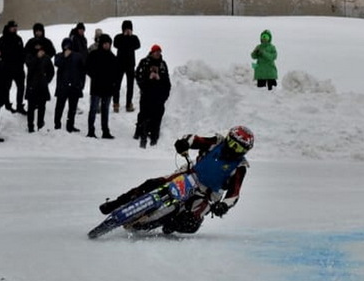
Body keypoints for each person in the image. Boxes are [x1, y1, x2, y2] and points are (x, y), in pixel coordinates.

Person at [97, 125, 255, 234]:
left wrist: (223, 206)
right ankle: (116, 203)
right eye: (232, 143)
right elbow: (195, 139)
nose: (233, 149)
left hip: (207, 194)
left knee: (191, 223)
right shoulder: (217, 142)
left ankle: (167, 224)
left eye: (239, 148)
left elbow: (234, 194)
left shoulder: (240, 166)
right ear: (227, 138)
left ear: (245, 151)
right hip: (190, 174)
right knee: (153, 184)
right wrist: (184, 143)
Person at [132, 44, 171, 148]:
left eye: (159, 52)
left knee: (157, 117)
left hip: (158, 96)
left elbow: (166, 81)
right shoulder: (144, 63)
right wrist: (148, 78)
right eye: (156, 52)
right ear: (152, 52)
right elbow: (138, 77)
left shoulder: (163, 65)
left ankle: (154, 138)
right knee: (144, 116)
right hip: (146, 95)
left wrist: (159, 80)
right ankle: (141, 135)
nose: (158, 54)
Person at [85, 34, 119, 138]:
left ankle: (105, 131)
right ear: (101, 44)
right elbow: (87, 67)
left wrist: (113, 83)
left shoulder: (112, 57)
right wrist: (95, 76)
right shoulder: (94, 54)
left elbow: (116, 73)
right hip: (96, 87)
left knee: (105, 110)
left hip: (108, 88)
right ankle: (91, 130)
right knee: (93, 109)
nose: (107, 46)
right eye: (105, 43)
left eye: (108, 44)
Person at [53, 38, 84, 132]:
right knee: (59, 107)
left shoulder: (78, 56)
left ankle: (70, 125)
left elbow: (82, 70)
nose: (67, 48)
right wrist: (64, 57)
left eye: (68, 45)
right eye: (65, 45)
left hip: (74, 86)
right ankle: (57, 125)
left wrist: (81, 83)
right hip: (63, 86)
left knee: (72, 108)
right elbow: (57, 63)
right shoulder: (59, 56)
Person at [24, 42, 54, 132]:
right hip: (32, 86)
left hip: (42, 86)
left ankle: (40, 124)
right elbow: (30, 66)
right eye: (36, 46)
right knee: (31, 107)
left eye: (39, 46)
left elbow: (51, 71)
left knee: (42, 106)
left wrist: (46, 80)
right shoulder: (30, 56)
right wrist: (37, 58)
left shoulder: (47, 58)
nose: (38, 48)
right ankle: (30, 126)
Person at [0, 20, 25, 112]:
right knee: (6, 87)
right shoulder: (3, 39)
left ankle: (20, 105)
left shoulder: (18, 39)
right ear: (9, 28)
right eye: (13, 27)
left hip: (18, 68)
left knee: (21, 87)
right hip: (7, 68)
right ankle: (7, 104)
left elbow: (22, 52)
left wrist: (22, 61)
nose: (15, 28)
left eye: (16, 27)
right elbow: (0, 53)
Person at [114, 20, 141, 112]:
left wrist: (129, 38)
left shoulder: (134, 38)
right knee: (117, 85)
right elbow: (116, 44)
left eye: (129, 29)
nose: (128, 30)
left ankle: (129, 104)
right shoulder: (118, 37)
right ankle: (116, 103)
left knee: (130, 86)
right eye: (126, 29)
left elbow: (137, 45)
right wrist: (125, 37)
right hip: (119, 65)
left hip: (130, 65)